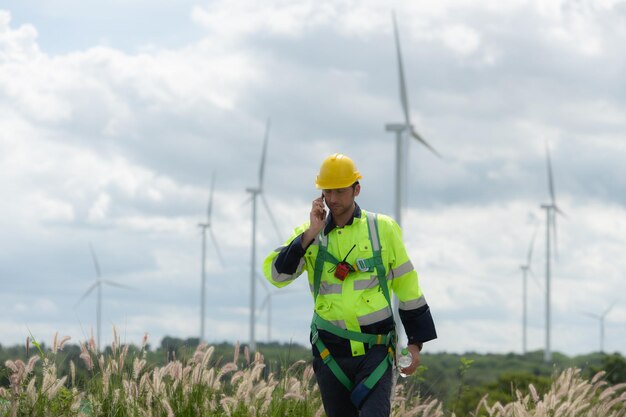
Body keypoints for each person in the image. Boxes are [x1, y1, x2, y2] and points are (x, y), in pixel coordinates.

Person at [263, 153, 437, 417]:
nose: (333, 199)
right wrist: (310, 232)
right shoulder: (309, 234)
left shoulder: (383, 229)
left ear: (356, 189)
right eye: (327, 191)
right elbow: (277, 276)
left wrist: (415, 344)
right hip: (329, 351)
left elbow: (406, 284)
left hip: (375, 350)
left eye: (340, 191)